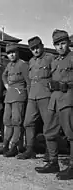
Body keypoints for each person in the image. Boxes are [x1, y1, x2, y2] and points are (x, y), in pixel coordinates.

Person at [35, 29, 73, 180]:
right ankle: (53, 162)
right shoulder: (55, 61)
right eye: (57, 45)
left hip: (68, 98)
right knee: (49, 131)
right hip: (54, 100)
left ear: (68, 43)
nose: (60, 47)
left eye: (63, 43)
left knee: (71, 134)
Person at [17, 36, 54, 160]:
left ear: (42, 46)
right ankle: (30, 150)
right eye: (33, 49)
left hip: (46, 95)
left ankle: (50, 152)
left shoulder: (50, 58)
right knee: (28, 122)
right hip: (33, 96)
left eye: (37, 48)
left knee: (49, 124)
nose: (36, 51)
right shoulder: (31, 61)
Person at [0, 43, 30, 157]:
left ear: (17, 53)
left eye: (13, 52)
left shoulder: (22, 65)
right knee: (7, 121)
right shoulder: (9, 65)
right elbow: (4, 76)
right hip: (9, 96)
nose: (11, 55)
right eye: (9, 53)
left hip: (19, 96)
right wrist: (6, 85)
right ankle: (5, 146)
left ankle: (14, 147)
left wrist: (28, 98)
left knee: (16, 122)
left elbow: (29, 82)